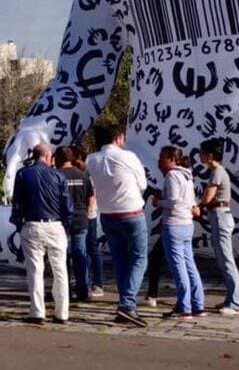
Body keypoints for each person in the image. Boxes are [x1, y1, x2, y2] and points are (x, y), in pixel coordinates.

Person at [85, 124, 149, 327]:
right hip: (131, 212)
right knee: (139, 258)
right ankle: (127, 304)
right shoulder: (127, 157)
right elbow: (143, 184)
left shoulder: (91, 160)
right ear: (118, 138)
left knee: (120, 260)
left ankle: (125, 300)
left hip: (108, 214)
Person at [11, 143, 72, 324]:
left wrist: (18, 225)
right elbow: (67, 207)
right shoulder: (58, 176)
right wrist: (65, 228)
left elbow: (17, 204)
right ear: (48, 156)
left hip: (32, 224)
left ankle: (37, 311)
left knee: (35, 270)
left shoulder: (22, 174)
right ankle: (62, 313)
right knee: (60, 270)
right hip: (55, 224)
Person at [152, 146, 205, 319]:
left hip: (174, 223)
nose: (159, 161)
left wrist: (159, 202)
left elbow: (173, 201)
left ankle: (184, 306)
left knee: (178, 267)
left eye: (162, 157)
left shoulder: (172, 175)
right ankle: (197, 303)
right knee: (189, 264)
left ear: (172, 159)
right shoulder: (187, 175)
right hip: (186, 223)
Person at [199, 138, 239, 316]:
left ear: (210, 155)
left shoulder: (218, 172)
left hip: (220, 215)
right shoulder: (216, 171)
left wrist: (198, 205)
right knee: (222, 260)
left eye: (202, 152)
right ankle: (231, 298)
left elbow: (207, 198)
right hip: (216, 215)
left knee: (226, 260)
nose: (200, 156)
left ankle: (237, 303)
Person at [55, 145, 91, 302]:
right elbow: (91, 196)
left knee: (62, 258)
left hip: (62, 222)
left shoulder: (56, 176)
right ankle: (83, 290)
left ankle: (65, 291)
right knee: (80, 255)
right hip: (80, 220)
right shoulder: (82, 175)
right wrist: (87, 212)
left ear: (57, 159)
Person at [74, 149, 104, 299]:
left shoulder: (87, 174)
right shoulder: (83, 173)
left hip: (89, 215)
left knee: (91, 248)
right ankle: (84, 281)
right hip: (86, 214)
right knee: (84, 249)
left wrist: (87, 212)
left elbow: (91, 196)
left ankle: (97, 283)